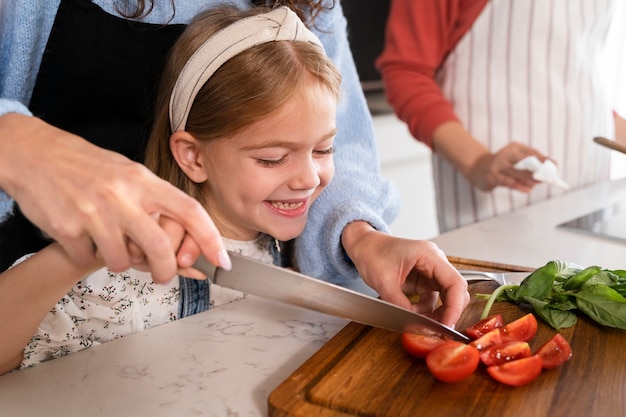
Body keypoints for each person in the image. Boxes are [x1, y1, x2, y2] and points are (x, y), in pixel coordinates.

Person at [0, 4, 469, 375]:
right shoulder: (116, 276)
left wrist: (365, 238)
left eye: (324, 150)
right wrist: (80, 252)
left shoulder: (280, 249)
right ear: (193, 156)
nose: (308, 179)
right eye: (271, 158)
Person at [376, 0, 620, 233]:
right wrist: (478, 161)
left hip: (592, 183)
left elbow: (572, 69)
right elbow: (407, 71)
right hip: (497, 194)